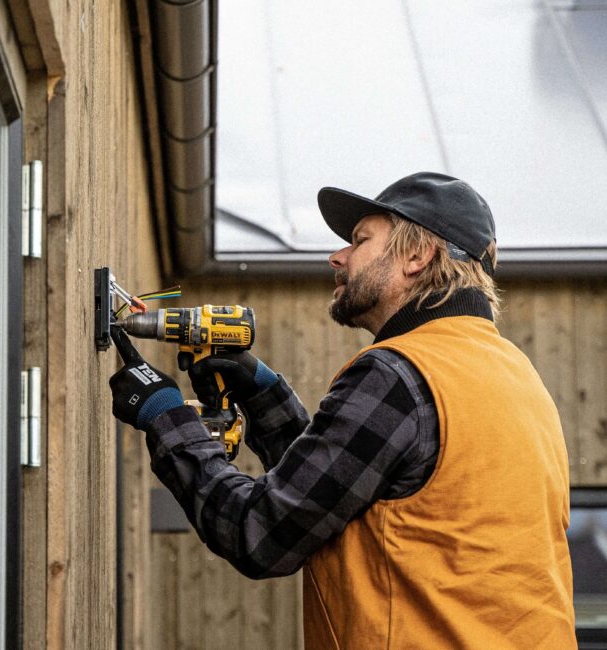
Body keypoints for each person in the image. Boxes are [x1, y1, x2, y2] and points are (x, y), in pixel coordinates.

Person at [109, 172, 577, 649]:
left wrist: (166, 416)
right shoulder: (517, 378)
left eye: (359, 241)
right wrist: (263, 392)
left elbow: (261, 533)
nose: (337, 257)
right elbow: (343, 497)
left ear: (417, 257)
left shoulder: (399, 373)